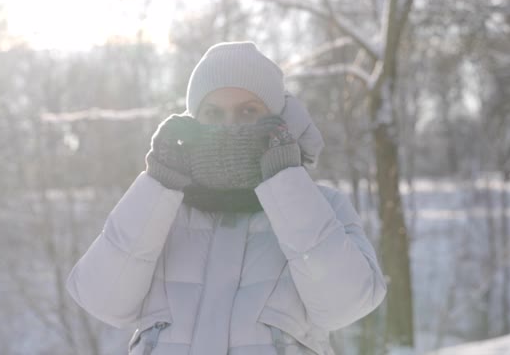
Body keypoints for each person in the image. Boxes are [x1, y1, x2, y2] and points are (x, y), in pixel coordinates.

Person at [65, 41, 387, 355]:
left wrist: (285, 180)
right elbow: (102, 299)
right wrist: (158, 185)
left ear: (277, 119)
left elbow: (346, 305)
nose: (229, 126)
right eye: (213, 113)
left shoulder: (322, 206)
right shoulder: (163, 208)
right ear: (195, 121)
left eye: (248, 111)